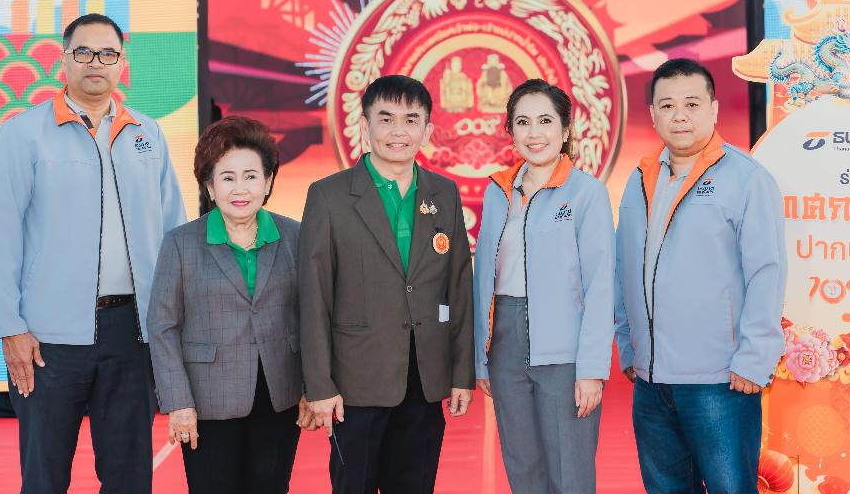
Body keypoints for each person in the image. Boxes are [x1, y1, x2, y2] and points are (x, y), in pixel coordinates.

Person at [0, 13, 186, 493]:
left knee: (128, 477)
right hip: (47, 341)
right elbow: (2, 236)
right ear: (64, 59)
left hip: (132, 335)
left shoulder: (147, 134)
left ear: (122, 62)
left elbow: (174, 232)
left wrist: (170, 324)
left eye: (107, 53)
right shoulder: (23, 133)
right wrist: (10, 327)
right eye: (84, 51)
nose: (96, 62)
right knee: (45, 476)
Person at [614, 58, 787, 494]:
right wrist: (629, 346)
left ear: (713, 109)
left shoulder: (746, 179)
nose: (680, 116)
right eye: (667, 105)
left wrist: (754, 359)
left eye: (691, 104)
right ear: (653, 114)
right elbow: (624, 268)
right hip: (651, 382)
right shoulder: (640, 179)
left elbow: (766, 272)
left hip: (720, 381)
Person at [299, 74, 475, 494]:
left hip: (425, 379)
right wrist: (319, 386)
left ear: (427, 131)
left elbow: (458, 287)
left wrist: (462, 373)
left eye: (411, 120)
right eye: (386, 118)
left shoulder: (444, 193)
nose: (399, 131)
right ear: (365, 126)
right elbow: (313, 297)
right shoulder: (328, 196)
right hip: (355, 384)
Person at [148, 116, 306, 494]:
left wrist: (312, 385)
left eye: (251, 176)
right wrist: (178, 402)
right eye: (227, 177)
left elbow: (311, 315)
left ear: (268, 182)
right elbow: (163, 326)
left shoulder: (295, 235)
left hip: (280, 395)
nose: (240, 189)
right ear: (210, 186)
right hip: (207, 400)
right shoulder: (181, 243)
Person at [473, 79, 615, 494]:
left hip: (564, 350)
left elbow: (601, 285)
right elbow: (483, 278)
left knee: (569, 472)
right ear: (510, 131)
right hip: (505, 346)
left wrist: (592, 369)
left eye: (545, 121)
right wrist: (480, 358)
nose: (534, 133)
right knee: (522, 467)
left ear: (565, 129)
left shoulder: (587, 193)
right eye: (523, 122)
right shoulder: (497, 192)